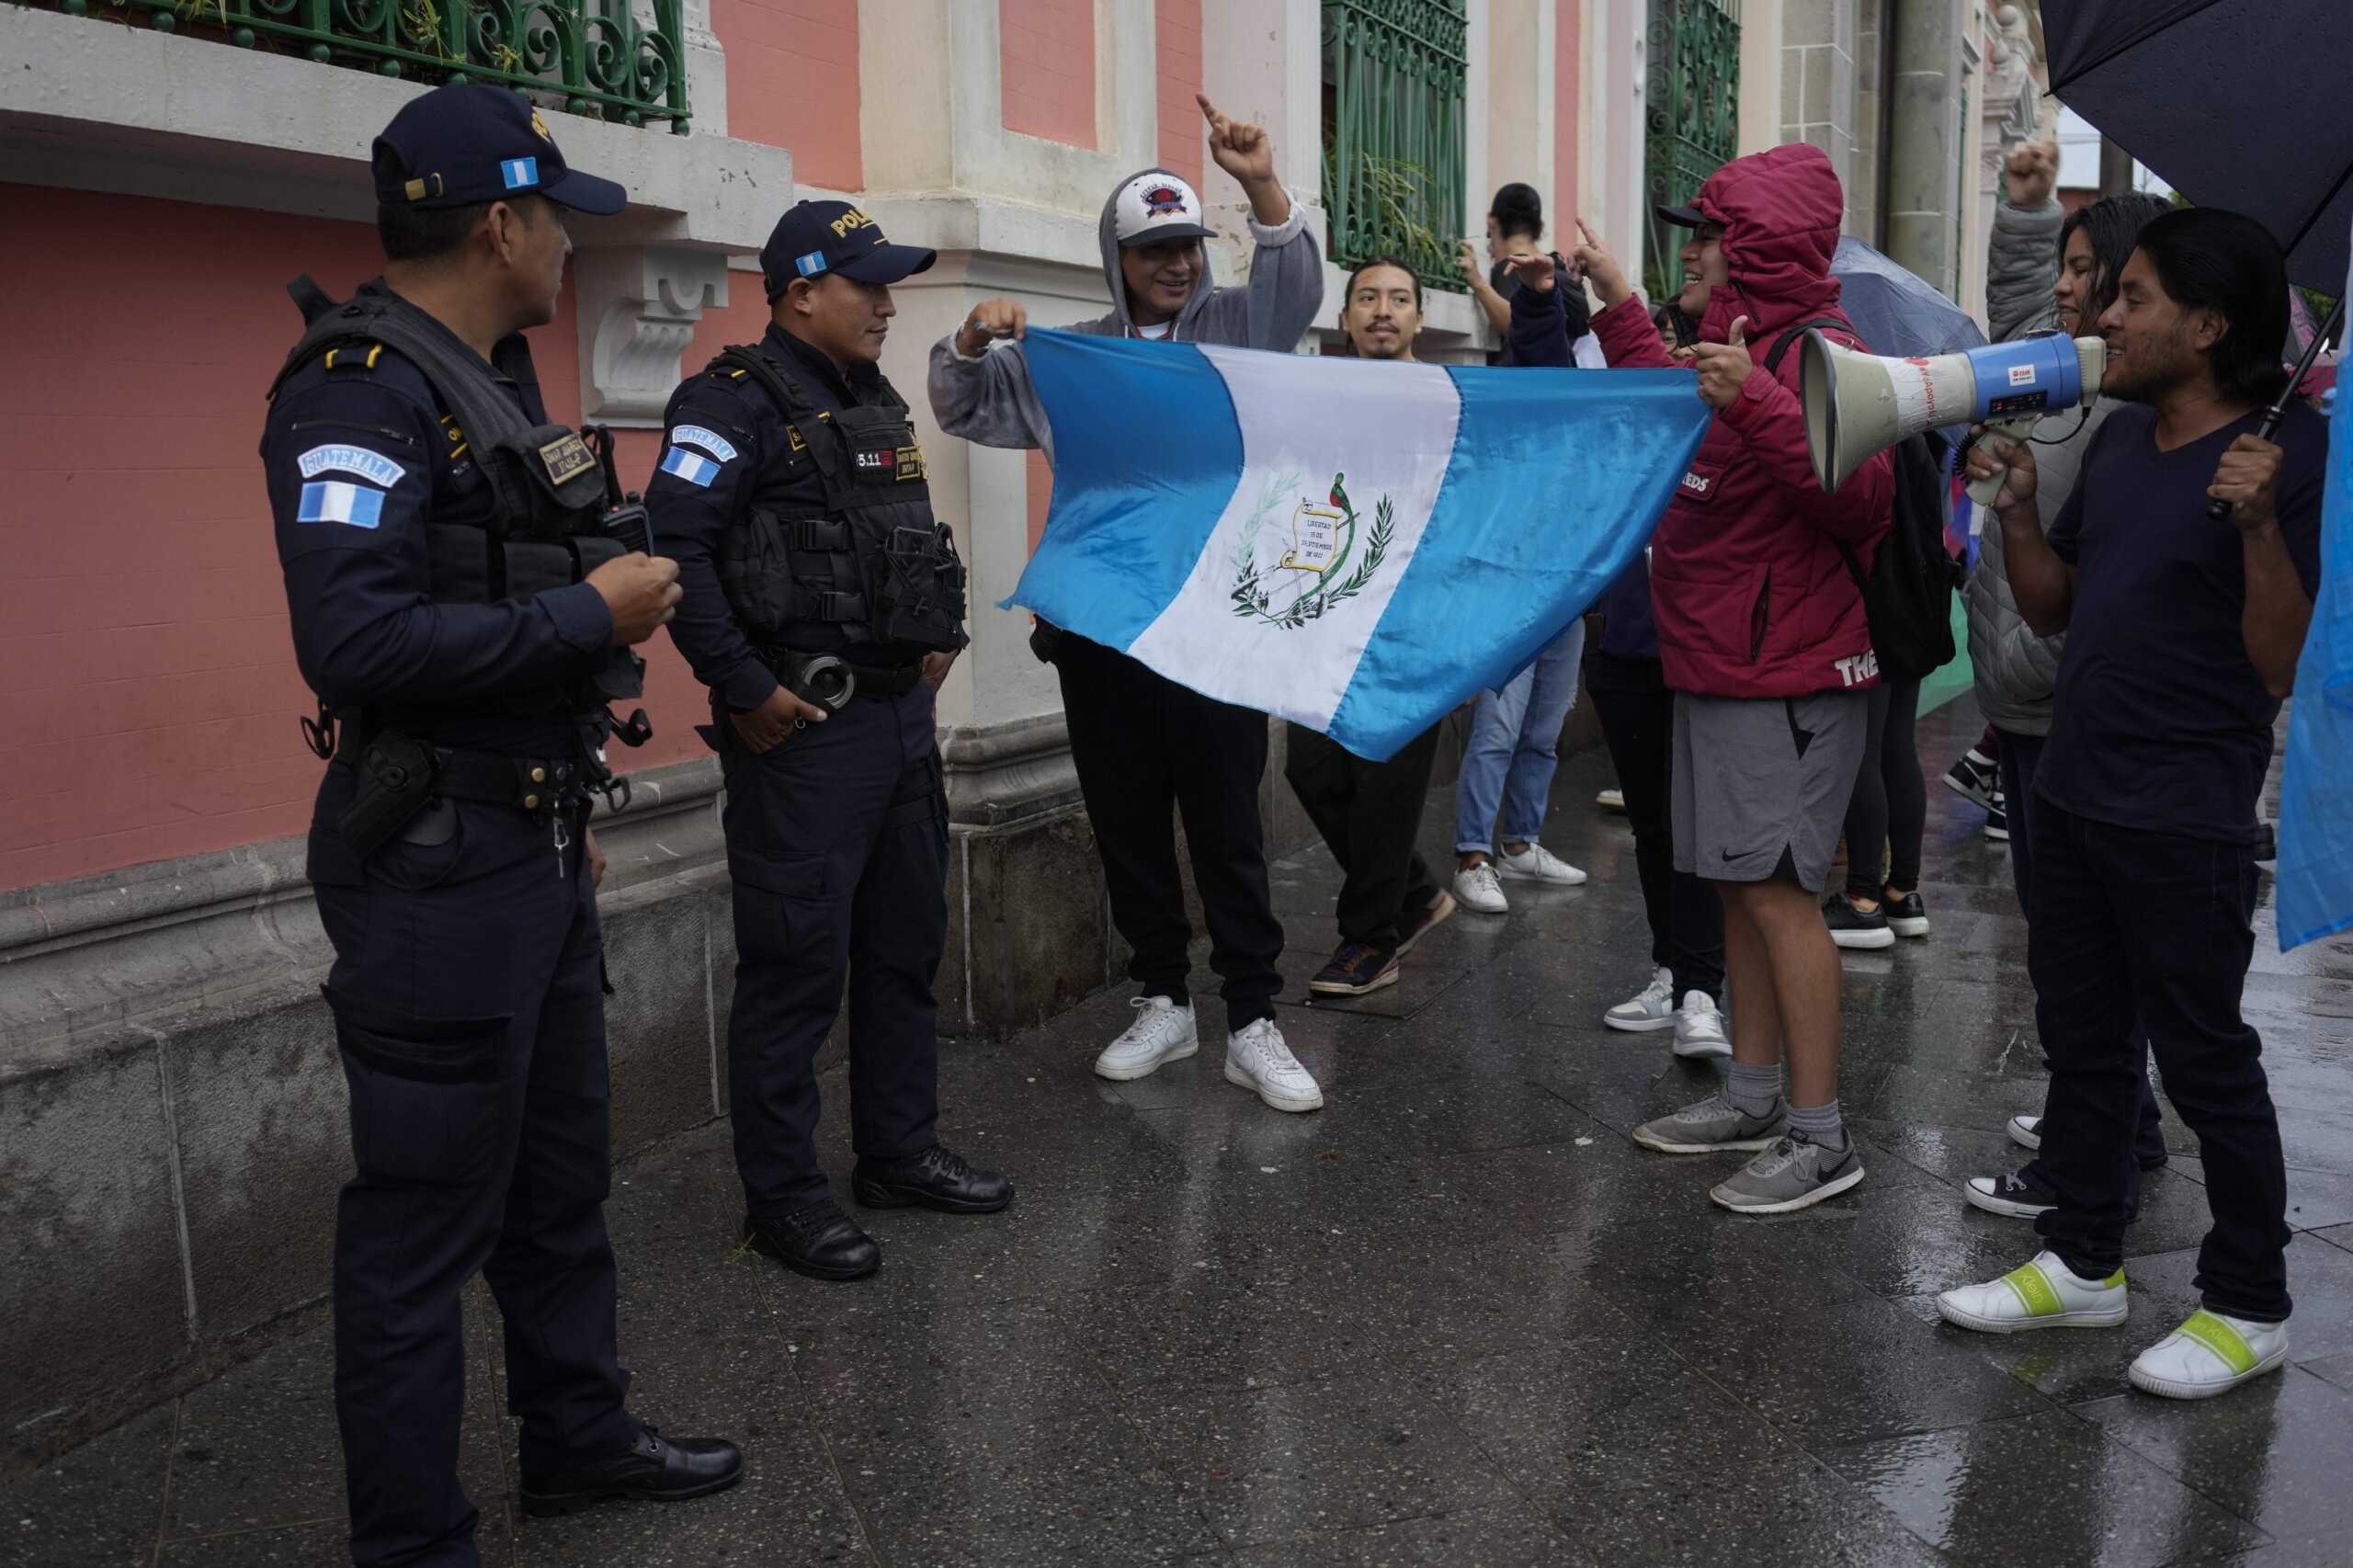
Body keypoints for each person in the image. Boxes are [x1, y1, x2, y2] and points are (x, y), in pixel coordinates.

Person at [260, 84, 739, 1564]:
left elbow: (483, 605)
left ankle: (577, 1437)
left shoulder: (488, 375)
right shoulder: (357, 388)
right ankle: (414, 1541)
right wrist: (587, 612)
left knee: (554, 1183)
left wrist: (559, 790)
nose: (566, 246)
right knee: (416, 1232)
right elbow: (356, 645)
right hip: (433, 871)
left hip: (524, 841)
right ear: (498, 221)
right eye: (556, 219)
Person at [1936, 208, 2322, 1400]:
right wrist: (2010, 510)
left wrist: (2259, 522)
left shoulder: (2291, 456)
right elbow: (2055, 610)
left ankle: (2250, 1301)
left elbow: (2281, 662)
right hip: (2074, 786)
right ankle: (2084, 1258)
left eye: (2135, 296)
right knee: (2085, 1041)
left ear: (2208, 327)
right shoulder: (2116, 442)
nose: (2107, 314)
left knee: (2205, 1064)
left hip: (2184, 814)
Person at [928, 96, 1325, 1112]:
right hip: (1102, 627)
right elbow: (963, 403)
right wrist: (973, 334)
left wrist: (1262, 186)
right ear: (1118, 258)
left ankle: (1252, 1019)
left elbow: (1293, 289)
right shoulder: (1073, 356)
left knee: (1228, 823)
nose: (1178, 265)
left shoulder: (1239, 328)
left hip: (1216, 625)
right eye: (1155, 250)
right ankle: (1162, 998)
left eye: (1187, 246)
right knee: (1128, 822)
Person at [645, 199, 1010, 1282]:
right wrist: (742, 683)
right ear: (801, 291)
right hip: (803, 735)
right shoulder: (726, 403)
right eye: (868, 285)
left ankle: (895, 1152)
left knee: (902, 953)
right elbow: (676, 545)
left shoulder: (874, 396)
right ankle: (784, 1199)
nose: (888, 304)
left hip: (896, 725)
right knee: (794, 974)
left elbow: (896, 541)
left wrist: (932, 646)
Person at [1533, 144, 1893, 1212]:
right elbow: (1672, 398)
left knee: (1781, 899)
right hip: (1724, 668)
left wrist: (1758, 406)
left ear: (1762, 243)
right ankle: (1749, 1093)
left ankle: (1820, 1135)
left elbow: (1863, 495)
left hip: (1779, 679)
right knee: (1742, 889)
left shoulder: (1824, 350)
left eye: (1714, 232)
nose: (1699, 248)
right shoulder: (1752, 340)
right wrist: (1617, 303)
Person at [1959, 166, 2178, 1219]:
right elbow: (2014, 300)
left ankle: (2084, 1158)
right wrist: (2029, 212)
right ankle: (2116, 1120)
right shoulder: (2061, 376)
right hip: (2028, 702)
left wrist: (2034, 663)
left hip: (2056, 703)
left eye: (2090, 275)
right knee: (2070, 948)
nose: (2063, 290)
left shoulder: (2118, 408)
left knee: (2078, 959)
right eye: (2068, 269)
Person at [1281, 256, 1458, 995]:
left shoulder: (1452, 400)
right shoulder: (1317, 395)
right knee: (1312, 771)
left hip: (1413, 625)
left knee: (1384, 782)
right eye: (1367, 298)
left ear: (1419, 318)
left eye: (1399, 300)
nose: (1382, 310)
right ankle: (1415, 893)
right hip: (1328, 613)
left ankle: (1369, 941)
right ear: (1346, 317)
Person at [1821, 673, 1929, 948]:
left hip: (1870, 634)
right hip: (1916, 631)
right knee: (1899, 740)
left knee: (1862, 744)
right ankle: (1901, 894)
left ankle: (1862, 900)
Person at [1459, 181, 1593, 364]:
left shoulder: (1517, 269)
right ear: (1541, 227)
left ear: (1491, 222)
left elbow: (1517, 321)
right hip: (1565, 382)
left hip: (1526, 384)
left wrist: (1478, 283)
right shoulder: (1563, 275)